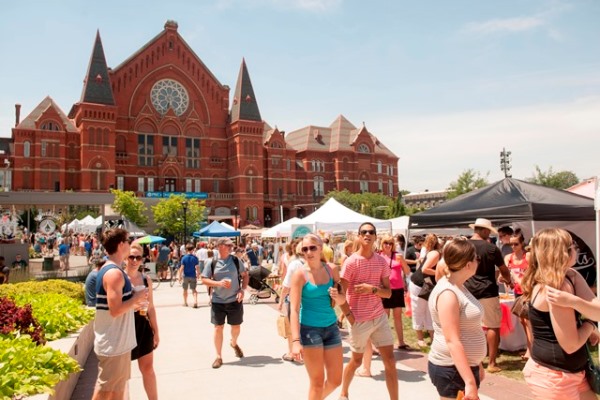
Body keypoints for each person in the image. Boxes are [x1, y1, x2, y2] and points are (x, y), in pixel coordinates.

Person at [521, 228, 598, 399]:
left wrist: (574, 302)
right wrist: (590, 325)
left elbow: (597, 311)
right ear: (561, 253)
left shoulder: (571, 275)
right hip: (554, 376)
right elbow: (570, 345)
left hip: (571, 372)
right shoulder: (556, 286)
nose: (576, 250)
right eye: (572, 246)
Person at [339, 222, 397, 400]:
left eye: (371, 232)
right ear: (358, 236)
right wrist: (349, 317)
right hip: (359, 319)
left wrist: (372, 289)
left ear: (375, 237)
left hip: (378, 317)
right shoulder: (350, 262)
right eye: (363, 232)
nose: (367, 234)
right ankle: (344, 393)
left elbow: (388, 293)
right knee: (356, 361)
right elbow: (340, 294)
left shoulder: (381, 261)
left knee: (390, 361)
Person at [428, 238, 486, 400]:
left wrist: (477, 363)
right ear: (468, 264)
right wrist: (469, 382)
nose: (478, 262)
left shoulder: (458, 286)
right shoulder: (448, 294)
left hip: (461, 367)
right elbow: (452, 340)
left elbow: (468, 329)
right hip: (452, 369)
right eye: (477, 258)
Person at [92, 228, 147, 400]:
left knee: (116, 389)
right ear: (121, 244)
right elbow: (115, 310)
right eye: (128, 241)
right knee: (106, 390)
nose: (131, 245)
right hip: (113, 342)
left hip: (117, 342)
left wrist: (133, 303)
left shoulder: (113, 269)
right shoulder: (114, 273)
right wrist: (136, 297)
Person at [289, 233, 344, 399]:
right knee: (317, 382)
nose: (308, 252)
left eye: (312, 247)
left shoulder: (332, 269)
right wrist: (296, 341)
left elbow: (342, 300)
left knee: (335, 381)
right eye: (304, 249)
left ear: (320, 248)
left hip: (331, 328)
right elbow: (294, 309)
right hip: (310, 330)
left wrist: (337, 296)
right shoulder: (299, 275)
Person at [464, 218, 513, 373]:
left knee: (468, 326)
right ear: (484, 231)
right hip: (488, 290)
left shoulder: (463, 246)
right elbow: (503, 269)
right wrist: (509, 280)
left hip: (467, 290)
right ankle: (492, 363)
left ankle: (471, 360)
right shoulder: (491, 248)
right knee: (492, 326)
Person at [201, 237, 249, 369]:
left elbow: (245, 275)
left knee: (236, 327)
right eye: (228, 245)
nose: (231, 247)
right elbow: (204, 279)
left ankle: (233, 343)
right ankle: (218, 356)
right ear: (220, 246)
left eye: (231, 245)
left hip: (235, 300)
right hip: (218, 300)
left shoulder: (235, 260)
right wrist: (218, 283)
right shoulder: (212, 262)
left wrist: (242, 290)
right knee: (218, 327)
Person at [125, 242, 159, 400]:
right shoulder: (120, 278)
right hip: (125, 326)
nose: (134, 260)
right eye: (131, 257)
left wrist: (156, 331)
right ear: (125, 257)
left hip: (143, 325)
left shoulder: (146, 280)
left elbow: (151, 307)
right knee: (123, 373)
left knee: (148, 368)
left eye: (138, 257)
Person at [504, 230, 533, 359]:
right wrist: (506, 279)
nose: (513, 247)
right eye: (511, 244)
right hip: (516, 292)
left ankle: (531, 351)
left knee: (528, 322)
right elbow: (504, 276)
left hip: (528, 292)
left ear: (522, 244)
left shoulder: (528, 257)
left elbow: (534, 274)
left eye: (516, 244)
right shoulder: (508, 258)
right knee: (522, 321)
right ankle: (529, 347)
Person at [379, 235, 411, 350]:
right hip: (385, 289)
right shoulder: (378, 256)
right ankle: (382, 342)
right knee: (384, 317)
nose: (388, 245)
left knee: (398, 316)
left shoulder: (397, 256)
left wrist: (403, 261)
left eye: (390, 243)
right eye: (386, 243)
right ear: (382, 244)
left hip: (398, 289)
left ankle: (401, 342)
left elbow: (407, 272)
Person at [409, 233, 440, 348]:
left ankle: (432, 338)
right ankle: (420, 339)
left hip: (426, 285)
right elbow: (425, 269)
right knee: (419, 309)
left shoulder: (431, 252)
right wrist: (440, 272)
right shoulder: (435, 253)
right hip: (420, 284)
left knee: (429, 311)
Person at [178, 243, 200, 308]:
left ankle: (185, 302)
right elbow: (197, 267)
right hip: (193, 275)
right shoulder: (195, 258)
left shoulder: (184, 258)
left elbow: (182, 268)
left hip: (186, 276)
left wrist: (179, 276)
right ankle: (195, 301)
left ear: (186, 250)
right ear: (193, 249)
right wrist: (198, 274)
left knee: (185, 290)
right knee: (194, 290)